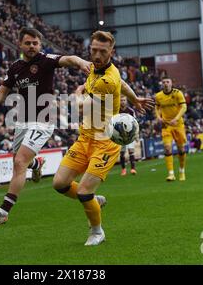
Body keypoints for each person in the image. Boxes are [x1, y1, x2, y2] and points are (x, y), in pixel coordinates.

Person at [0, 27, 91, 229]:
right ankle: (36, 165)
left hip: (43, 120)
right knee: (18, 161)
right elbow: (2, 91)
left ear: (40, 45)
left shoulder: (45, 60)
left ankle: (3, 212)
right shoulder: (15, 68)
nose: (32, 46)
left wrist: (81, 62)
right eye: (28, 43)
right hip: (22, 121)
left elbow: (69, 59)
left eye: (35, 43)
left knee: (20, 162)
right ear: (20, 44)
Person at [52, 31, 154, 246]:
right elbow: (123, 84)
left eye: (102, 51)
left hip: (105, 143)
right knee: (59, 183)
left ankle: (97, 232)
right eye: (94, 50)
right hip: (85, 137)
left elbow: (80, 106)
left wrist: (77, 92)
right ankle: (94, 202)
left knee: (83, 191)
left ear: (111, 52)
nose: (97, 55)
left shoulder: (106, 80)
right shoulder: (104, 70)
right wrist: (134, 99)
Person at [155, 76, 187, 182]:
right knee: (167, 147)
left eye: (167, 82)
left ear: (171, 83)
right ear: (161, 84)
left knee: (181, 149)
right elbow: (157, 107)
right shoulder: (158, 96)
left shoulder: (178, 93)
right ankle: (171, 174)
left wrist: (176, 118)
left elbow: (184, 107)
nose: (165, 84)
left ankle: (182, 171)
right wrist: (158, 117)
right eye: (163, 82)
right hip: (166, 125)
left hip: (178, 124)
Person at [119, 95, 137, 176]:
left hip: (130, 134)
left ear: (126, 101)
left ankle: (133, 169)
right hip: (120, 135)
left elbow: (135, 123)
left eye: (124, 100)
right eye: (121, 100)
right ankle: (123, 169)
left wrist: (136, 134)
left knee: (131, 151)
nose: (122, 102)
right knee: (122, 152)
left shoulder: (131, 111)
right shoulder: (116, 110)